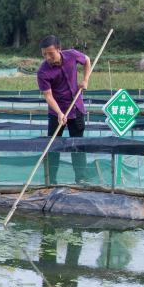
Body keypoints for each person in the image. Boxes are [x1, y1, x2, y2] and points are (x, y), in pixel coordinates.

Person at [36, 35, 91, 183]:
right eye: (44, 54)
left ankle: (80, 179)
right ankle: (51, 180)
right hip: (56, 112)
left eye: (50, 53)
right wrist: (59, 113)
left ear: (59, 50)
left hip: (76, 108)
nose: (47, 57)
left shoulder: (72, 55)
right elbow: (48, 96)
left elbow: (87, 60)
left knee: (77, 145)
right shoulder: (43, 72)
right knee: (53, 146)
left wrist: (85, 80)